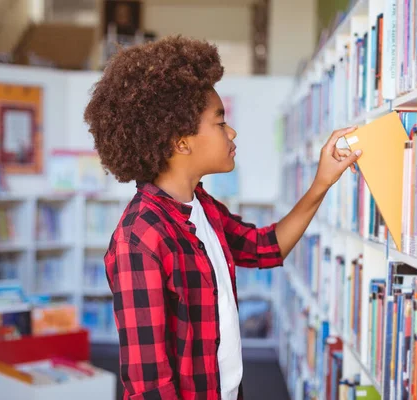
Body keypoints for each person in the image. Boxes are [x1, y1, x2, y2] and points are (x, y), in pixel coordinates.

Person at [84, 35, 361, 400]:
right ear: (180, 142)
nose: (232, 133)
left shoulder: (202, 206)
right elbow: (148, 384)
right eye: (219, 122)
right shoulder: (139, 238)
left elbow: (267, 248)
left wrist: (322, 182)